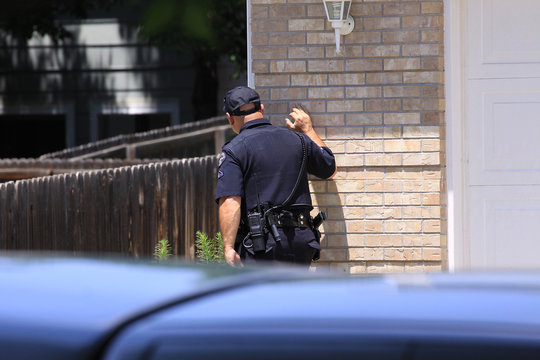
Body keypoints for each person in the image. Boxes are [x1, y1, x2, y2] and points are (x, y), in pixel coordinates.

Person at [216, 86, 336, 267]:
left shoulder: (234, 150)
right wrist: (308, 130)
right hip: (302, 242)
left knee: (263, 295)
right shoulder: (299, 140)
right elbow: (329, 168)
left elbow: (231, 200)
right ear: (261, 109)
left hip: (262, 246)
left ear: (230, 118)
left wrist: (229, 248)